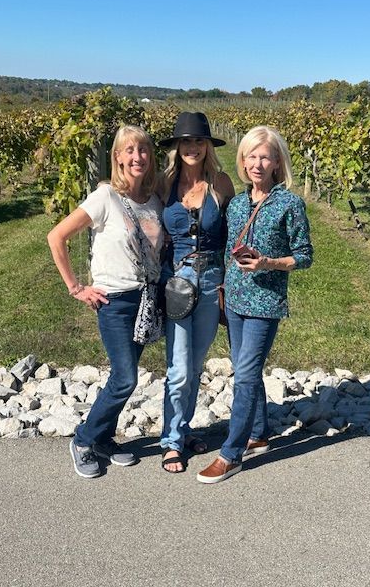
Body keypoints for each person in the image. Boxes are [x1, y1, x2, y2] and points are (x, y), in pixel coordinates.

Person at [197, 125, 313, 484]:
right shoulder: (236, 204)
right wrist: (221, 288)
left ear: (277, 162)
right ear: (243, 161)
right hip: (233, 300)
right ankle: (259, 434)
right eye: (251, 156)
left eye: (265, 156)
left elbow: (305, 256)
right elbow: (228, 250)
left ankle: (231, 454)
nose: (257, 163)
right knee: (245, 369)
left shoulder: (289, 203)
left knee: (245, 375)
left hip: (265, 302)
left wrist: (269, 263)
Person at [47, 125, 164, 479]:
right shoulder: (105, 197)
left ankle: (102, 439)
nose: (136, 157)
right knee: (126, 378)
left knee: (120, 375)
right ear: (117, 157)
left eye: (142, 150)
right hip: (113, 302)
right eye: (128, 150)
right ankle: (83, 439)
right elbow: (57, 237)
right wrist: (76, 287)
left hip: (145, 299)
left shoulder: (154, 199)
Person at [158, 112, 235, 473]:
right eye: (185, 141)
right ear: (177, 146)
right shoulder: (164, 184)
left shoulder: (220, 183)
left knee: (195, 363)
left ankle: (183, 428)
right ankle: (171, 441)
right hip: (176, 282)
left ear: (207, 146)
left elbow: (233, 234)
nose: (192, 147)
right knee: (178, 367)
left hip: (211, 281)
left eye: (198, 141)